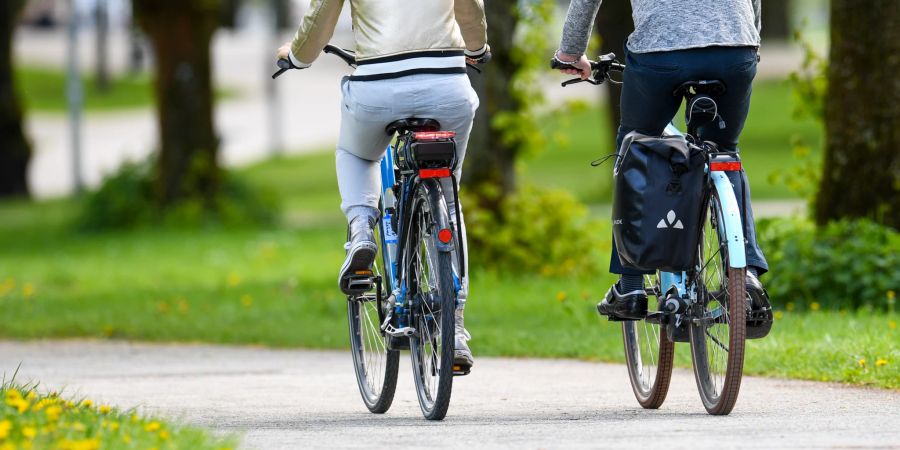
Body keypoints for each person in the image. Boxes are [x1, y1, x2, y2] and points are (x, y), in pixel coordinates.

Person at [276, 0, 490, 370]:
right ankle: (454, 327)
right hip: (447, 85)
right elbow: (469, 8)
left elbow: (321, 15)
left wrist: (297, 57)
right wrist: (476, 49)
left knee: (355, 154)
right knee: (449, 200)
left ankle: (361, 232)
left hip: (377, 86)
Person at [553, 0, 771, 327]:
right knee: (725, 152)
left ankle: (630, 286)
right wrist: (750, 40)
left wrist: (570, 53)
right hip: (734, 48)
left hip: (661, 53)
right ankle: (747, 274)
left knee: (634, 148)